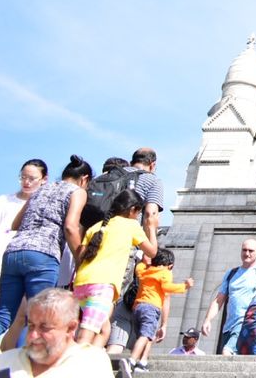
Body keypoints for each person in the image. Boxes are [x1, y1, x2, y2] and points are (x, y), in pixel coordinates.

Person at [0, 155, 92, 354]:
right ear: (84, 179)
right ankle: (26, 366)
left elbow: (16, 224)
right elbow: (70, 226)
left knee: (2, 317)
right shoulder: (77, 192)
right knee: (37, 319)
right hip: (43, 255)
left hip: (13, 252)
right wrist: (80, 259)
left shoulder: (41, 189)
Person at [72, 188, 157, 346]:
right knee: (85, 335)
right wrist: (151, 227)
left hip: (81, 284)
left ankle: (93, 358)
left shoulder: (97, 226)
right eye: (138, 213)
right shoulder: (131, 225)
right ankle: (77, 360)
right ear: (132, 210)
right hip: (102, 285)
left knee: (104, 330)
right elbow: (152, 252)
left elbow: (80, 256)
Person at [105, 148, 167, 356]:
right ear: (153, 164)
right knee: (117, 299)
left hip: (98, 240)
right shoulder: (151, 180)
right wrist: (150, 250)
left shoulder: (113, 175)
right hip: (127, 245)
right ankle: (107, 350)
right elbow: (150, 214)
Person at [0, 159, 47, 348]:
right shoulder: (3, 201)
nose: (26, 182)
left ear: (44, 179)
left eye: (32, 178)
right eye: (23, 177)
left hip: (13, 264)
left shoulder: (41, 208)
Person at [0, 288, 111, 377]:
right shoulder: (1, 363)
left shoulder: (91, 364)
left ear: (71, 328)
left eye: (44, 328)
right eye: (31, 326)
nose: (33, 335)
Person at [200, 238, 256, 354]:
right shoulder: (231, 273)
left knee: (227, 352)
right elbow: (218, 300)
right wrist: (207, 320)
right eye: (244, 250)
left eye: (251, 251)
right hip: (228, 327)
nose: (247, 254)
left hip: (247, 324)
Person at [128, 248, 193, 369]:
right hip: (151, 307)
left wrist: (145, 259)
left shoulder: (144, 271)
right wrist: (185, 286)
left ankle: (142, 363)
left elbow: (139, 267)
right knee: (145, 336)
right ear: (170, 265)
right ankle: (131, 360)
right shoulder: (165, 272)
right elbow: (167, 287)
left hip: (137, 308)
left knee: (147, 336)